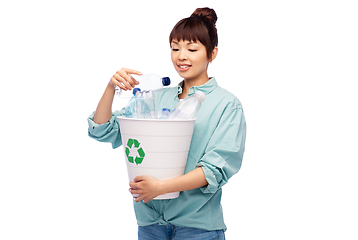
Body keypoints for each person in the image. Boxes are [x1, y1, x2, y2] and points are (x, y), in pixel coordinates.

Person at [88, 7, 246, 240]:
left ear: (212, 54)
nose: (181, 56)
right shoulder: (156, 97)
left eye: (192, 49)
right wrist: (111, 87)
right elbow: (102, 130)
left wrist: (161, 187)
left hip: (197, 228)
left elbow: (214, 171)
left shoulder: (226, 105)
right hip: (150, 225)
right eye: (175, 48)